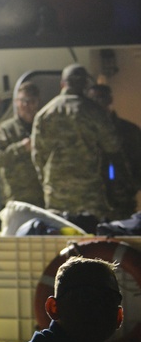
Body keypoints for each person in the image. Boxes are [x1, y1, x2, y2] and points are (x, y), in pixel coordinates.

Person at [32, 64, 122, 232]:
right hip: (90, 193)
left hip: (57, 193)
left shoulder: (45, 114)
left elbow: (38, 155)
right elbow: (112, 145)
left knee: (59, 241)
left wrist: (47, 183)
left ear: (62, 84)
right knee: (93, 240)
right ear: (84, 85)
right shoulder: (95, 111)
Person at [0, 81, 45, 207]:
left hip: (44, 199)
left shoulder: (44, 128)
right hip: (18, 200)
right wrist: (21, 148)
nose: (27, 106)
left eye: (32, 102)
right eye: (24, 101)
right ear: (16, 102)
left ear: (38, 103)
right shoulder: (6, 130)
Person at [87, 83, 141, 219]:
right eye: (93, 99)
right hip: (91, 200)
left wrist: (130, 185)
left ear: (109, 100)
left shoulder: (128, 130)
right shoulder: (84, 130)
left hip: (122, 200)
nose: (98, 103)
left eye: (101, 98)